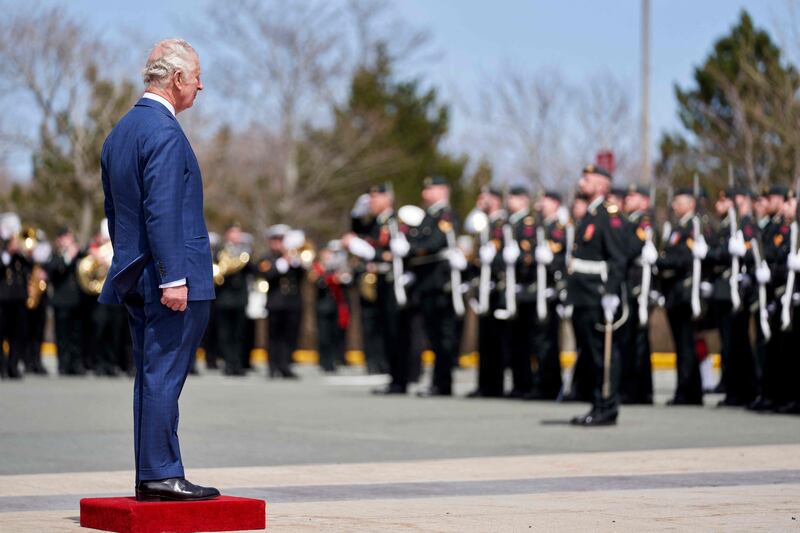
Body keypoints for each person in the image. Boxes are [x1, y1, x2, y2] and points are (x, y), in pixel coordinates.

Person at [99, 38, 219, 501]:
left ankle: (153, 472)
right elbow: (163, 210)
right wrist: (174, 277)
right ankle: (161, 473)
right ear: (176, 80)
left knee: (152, 375)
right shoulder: (164, 133)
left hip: (136, 271)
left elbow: (116, 212)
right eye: (196, 77)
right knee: (164, 375)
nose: (200, 85)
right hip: (168, 276)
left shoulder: (122, 131)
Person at [567, 165, 627, 426]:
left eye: (588, 179)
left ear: (602, 185)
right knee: (589, 354)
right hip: (582, 295)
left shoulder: (608, 216)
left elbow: (617, 258)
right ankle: (596, 404)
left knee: (602, 353)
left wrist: (611, 293)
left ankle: (607, 406)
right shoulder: (589, 216)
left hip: (598, 294)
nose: (582, 182)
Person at [343, 184, 412, 393]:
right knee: (386, 331)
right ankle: (394, 377)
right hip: (380, 281)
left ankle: (400, 378)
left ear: (387, 199)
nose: (371, 202)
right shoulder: (377, 222)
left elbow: (392, 253)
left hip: (393, 281)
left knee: (395, 330)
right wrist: (356, 215)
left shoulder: (395, 222)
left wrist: (367, 252)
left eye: (375, 197)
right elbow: (359, 231)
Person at [410, 176, 462, 397]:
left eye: (430, 188)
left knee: (444, 335)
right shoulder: (428, 216)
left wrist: (411, 248)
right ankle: (438, 381)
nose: (425, 193)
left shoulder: (445, 215)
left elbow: (436, 243)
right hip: (427, 283)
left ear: (443, 190)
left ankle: (443, 382)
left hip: (440, 283)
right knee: (433, 335)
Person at [656, 188, 706, 406]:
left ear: (690, 204)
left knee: (686, 344)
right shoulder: (676, 228)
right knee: (680, 343)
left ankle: (688, 391)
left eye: (678, 202)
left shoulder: (693, 227)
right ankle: (685, 388)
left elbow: (682, 259)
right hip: (673, 293)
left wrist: (660, 261)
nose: (674, 206)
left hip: (685, 293)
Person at [619, 185, 655, 405]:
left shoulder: (643, 222)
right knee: (629, 341)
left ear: (644, 201)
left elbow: (632, 248)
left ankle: (640, 391)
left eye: (632, 196)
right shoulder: (629, 221)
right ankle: (632, 388)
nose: (627, 199)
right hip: (630, 288)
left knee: (638, 342)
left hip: (639, 288)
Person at [529, 190, 567, 400]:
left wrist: (551, 262)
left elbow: (562, 260)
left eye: (544, 200)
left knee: (548, 343)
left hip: (551, 293)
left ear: (555, 203)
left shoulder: (557, 228)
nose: (540, 204)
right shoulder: (539, 227)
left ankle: (552, 386)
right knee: (538, 342)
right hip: (538, 293)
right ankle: (541, 383)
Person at [260, 225, 305, 380]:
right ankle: (273, 366)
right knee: (274, 337)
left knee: (290, 336)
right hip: (275, 303)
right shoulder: (267, 258)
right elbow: (268, 275)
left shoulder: (295, 257)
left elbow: (302, 276)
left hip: (293, 302)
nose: (279, 244)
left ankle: (286, 365)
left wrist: (295, 261)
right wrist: (283, 261)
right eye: (277, 240)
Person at [214, 224, 251, 376]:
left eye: (239, 233)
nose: (237, 236)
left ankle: (237, 363)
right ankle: (228, 362)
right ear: (228, 235)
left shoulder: (245, 252)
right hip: (224, 297)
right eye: (234, 233)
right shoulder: (220, 251)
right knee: (225, 333)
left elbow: (252, 272)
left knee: (239, 333)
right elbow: (215, 269)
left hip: (239, 298)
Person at [311, 241, 351, 373]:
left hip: (336, 306)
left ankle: (334, 360)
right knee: (324, 336)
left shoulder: (339, 268)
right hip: (322, 306)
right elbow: (317, 282)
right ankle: (324, 361)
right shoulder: (318, 268)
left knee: (335, 334)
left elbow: (347, 284)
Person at [0, 214, 30, 379]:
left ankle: (13, 365)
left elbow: (28, 269)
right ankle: (2, 366)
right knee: (2, 333)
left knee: (17, 334)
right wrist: (7, 253)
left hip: (18, 299)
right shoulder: (3, 253)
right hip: (3, 299)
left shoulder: (20, 257)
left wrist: (24, 252)